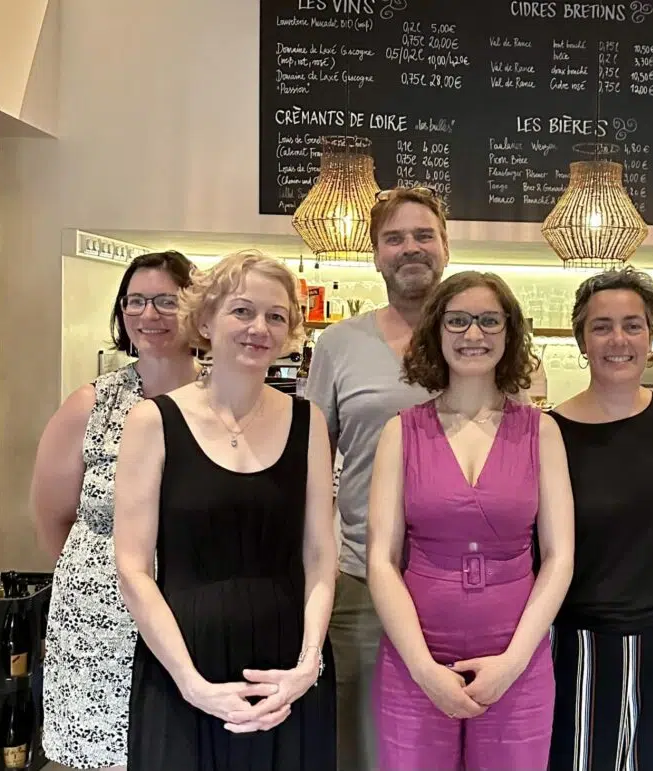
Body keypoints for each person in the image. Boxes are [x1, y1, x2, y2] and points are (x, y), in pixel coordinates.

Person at [113, 250, 337, 770]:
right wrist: (191, 683)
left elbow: (320, 556)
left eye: (275, 316)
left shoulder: (308, 421)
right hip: (182, 666)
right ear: (206, 320)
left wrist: (309, 664)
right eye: (242, 311)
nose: (259, 328)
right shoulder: (152, 421)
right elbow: (133, 568)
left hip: (286, 673)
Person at [367, 270, 574, 770]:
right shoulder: (400, 432)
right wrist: (423, 668)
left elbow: (559, 556)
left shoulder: (542, 432)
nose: (473, 334)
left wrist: (513, 662)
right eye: (457, 321)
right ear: (436, 332)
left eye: (488, 321)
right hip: (416, 659)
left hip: (516, 659)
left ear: (510, 332)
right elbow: (381, 560)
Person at [30, 250, 199, 771]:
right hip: (100, 616)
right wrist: (100, 580)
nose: (148, 315)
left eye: (166, 301)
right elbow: (52, 517)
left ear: (198, 307)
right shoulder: (92, 403)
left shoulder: (221, 402)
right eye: (135, 301)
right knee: (105, 751)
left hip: (193, 606)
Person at [305, 184, 448, 770]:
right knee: (360, 739)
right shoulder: (339, 344)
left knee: (446, 732)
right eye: (395, 238)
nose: (410, 247)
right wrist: (315, 565)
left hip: (460, 578)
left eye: (423, 235)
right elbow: (314, 462)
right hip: (361, 576)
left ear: (445, 246)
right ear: (375, 255)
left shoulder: (478, 336)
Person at [546, 267, 653, 771]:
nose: (619, 340)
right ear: (582, 341)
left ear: (650, 336)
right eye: (602, 327)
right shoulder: (550, 432)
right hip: (579, 646)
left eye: (632, 325)